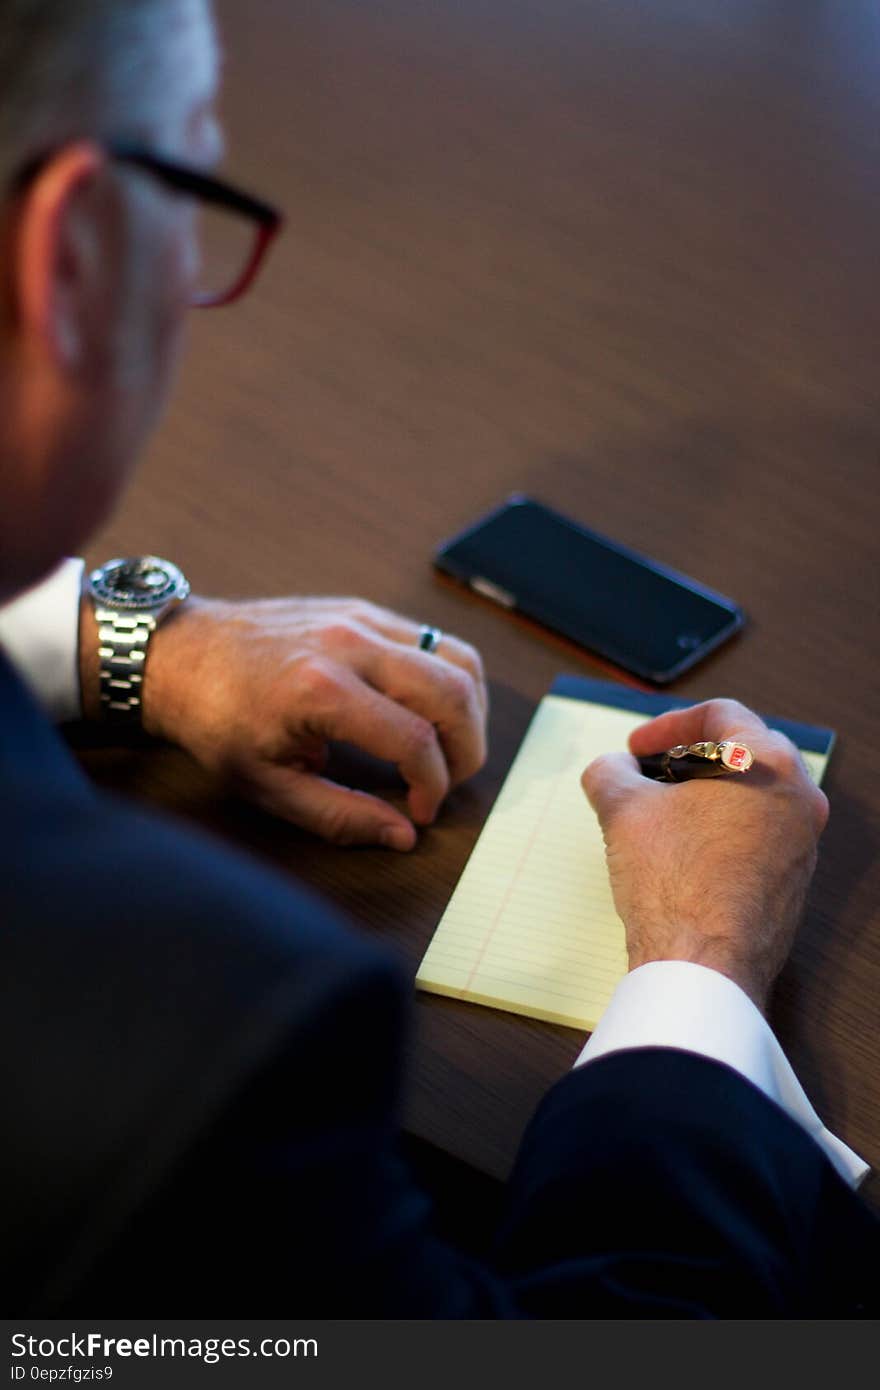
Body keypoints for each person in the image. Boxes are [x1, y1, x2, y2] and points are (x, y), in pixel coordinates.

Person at [0, 0, 876, 1318]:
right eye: (188, 184)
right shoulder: (194, 1028)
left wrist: (139, 647)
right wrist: (698, 970)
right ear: (68, 256)